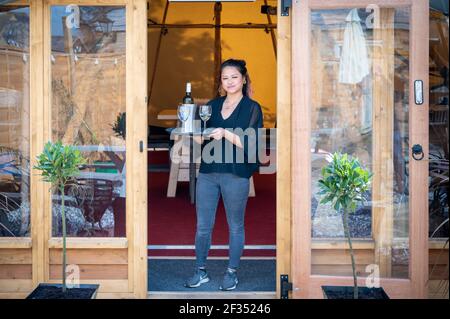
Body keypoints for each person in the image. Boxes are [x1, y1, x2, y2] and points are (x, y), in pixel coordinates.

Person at [184, 59, 263, 291]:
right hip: (208, 171)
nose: (229, 81)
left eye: (234, 77)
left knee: (235, 225)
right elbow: (202, 137)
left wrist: (225, 133)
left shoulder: (252, 107)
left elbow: (251, 144)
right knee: (202, 226)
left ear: (243, 79)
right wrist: (190, 130)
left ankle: (232, 272)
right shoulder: (212, 105)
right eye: (225, 78)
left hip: (236, 173)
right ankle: (200, 270)